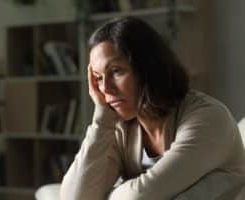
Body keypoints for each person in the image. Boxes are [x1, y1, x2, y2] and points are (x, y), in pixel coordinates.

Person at [60, 16, 245, 200]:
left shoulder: (207, 118)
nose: (106, 88)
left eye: (116, 71)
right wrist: (101, 119)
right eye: (98, 78)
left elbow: (138, 197)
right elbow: (73, 197)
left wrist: (110, 193)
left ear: (148, 69)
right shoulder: (120, 127)